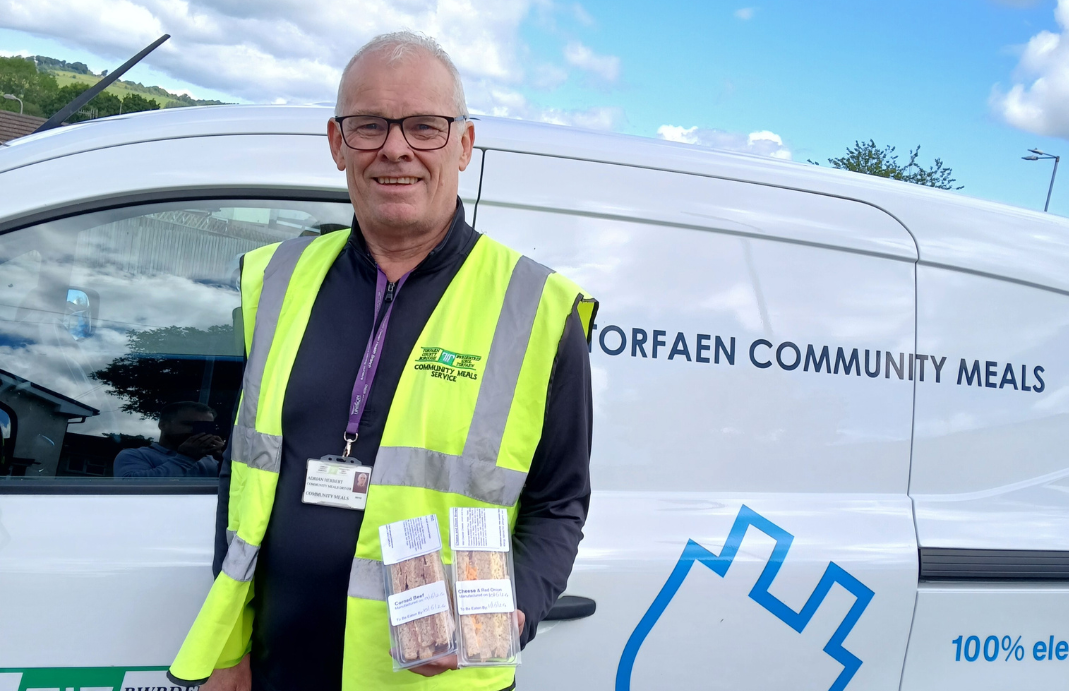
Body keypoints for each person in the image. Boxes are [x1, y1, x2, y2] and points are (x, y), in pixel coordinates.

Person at [168, 31, 597, 691]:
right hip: (279, 667)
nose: (395, 148)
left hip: (432, 680)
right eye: (369, 125)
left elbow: (558, 499)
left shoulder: (538, 309)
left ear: (463, 143)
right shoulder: (277, 279)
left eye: (424, 126)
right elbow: (246, 470)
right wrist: (230, 647)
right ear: (338, 143)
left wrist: (514, 610)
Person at [114, 401, 222, 478]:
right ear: (163, 425)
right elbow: (130, 487)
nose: (198, 431)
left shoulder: (213, 460)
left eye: (206, 426)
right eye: (189, 424)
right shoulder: (135, 455)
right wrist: (186, 458)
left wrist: (224, 460)